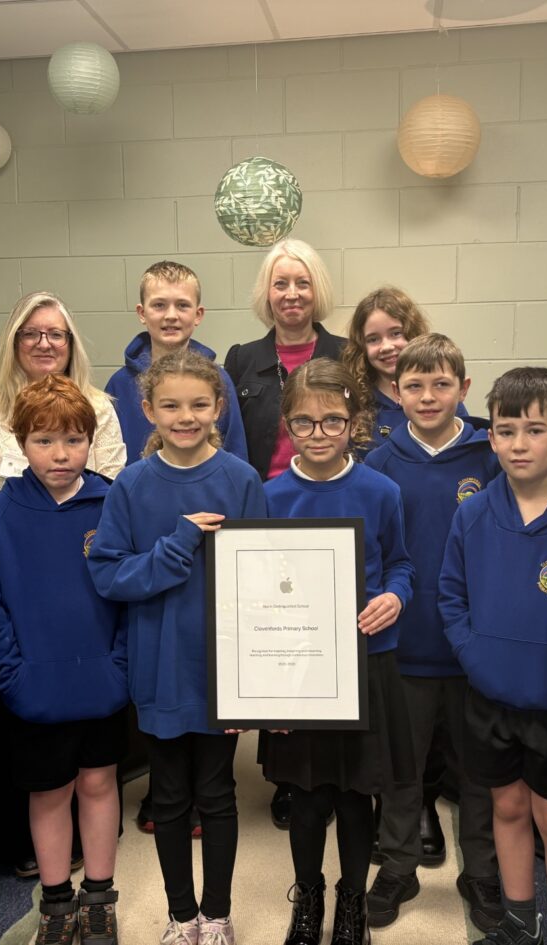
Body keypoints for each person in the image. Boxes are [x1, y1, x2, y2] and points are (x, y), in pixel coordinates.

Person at [88, 350, 266, 945]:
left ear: (218, 407)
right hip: (158, 666)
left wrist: (255, 683)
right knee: (167, 797)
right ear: (148, 410)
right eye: (170, 405)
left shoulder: (241, 479)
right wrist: (178, 542)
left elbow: (260, 584)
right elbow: (109, 575)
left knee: (217, 794)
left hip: (220, 670)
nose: (184, 416)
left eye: (197, 404)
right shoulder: (132, 485)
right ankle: (181, 915)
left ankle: (217, 915)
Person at [439, 368, 547, 945]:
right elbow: (451, 595)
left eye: (534, 430)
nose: (519, 444)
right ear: (490, 438)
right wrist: (474, 655)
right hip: (489, 697)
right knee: (507, 809)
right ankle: (518, 922)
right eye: (506, 430)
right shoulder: (472, 513)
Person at [0, 374, 129, 945]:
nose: (60, 454)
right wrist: (12, 677)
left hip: (104, 683)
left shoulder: (114, 504)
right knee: (50, 792)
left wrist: (121, 668)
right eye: (44, 440)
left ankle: (99, 898)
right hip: (33, 688)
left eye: (73, 440)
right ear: (21, 443)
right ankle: (57, 903)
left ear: (90, 441)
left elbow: (132, 596)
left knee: (99, 784)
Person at [261, 357, 415, 945]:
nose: (319, 433)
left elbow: (401, 564)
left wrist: (395, 597)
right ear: (287, 426)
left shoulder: (381, 490)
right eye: (304, 422)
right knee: (305, 797)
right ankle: (309, 899)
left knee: (355, 796)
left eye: (332, 421)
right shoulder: (270, 496)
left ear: (355, 423)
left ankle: (352, 903)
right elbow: (255, 587)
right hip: (296, 668)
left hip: (365, 662)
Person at [362, 335, 502, 932]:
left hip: (476, 650)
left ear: (463, 389)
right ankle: (398, 866)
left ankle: (483, 870)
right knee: (402, 770)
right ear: (396, 392)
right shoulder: (379, 464)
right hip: (405, 648)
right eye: (414, 386)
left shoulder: (490, 458)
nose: (427, 396)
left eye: (441, 384)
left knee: (478, 773)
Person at [224, 238, 345, 827]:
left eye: (302, 282)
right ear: (266, 293)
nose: (291, 293)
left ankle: (334, 766)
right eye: (280, 283)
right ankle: (284, 775)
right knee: (277, 643)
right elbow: (228, 441)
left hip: (331, 511)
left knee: (326, 643)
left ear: (316, 289)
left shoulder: (346, 355)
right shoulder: (242, 359)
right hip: (265, 517)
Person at [0, 290, 126, 499]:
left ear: (71, 343)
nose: (44, 344)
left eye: (56, 334)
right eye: (30, 334)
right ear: (14, 342)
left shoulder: (98, 407)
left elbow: (111, 487)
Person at [106, 259, 247, 465]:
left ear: (198, 314)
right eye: (159, 305)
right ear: (142, 313)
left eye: (182, 305)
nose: (171, 315)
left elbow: (236, 455)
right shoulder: (119, 385)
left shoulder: (219, 380)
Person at [341, 287, 478, 451]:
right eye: (373, 339)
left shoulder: (443, 398)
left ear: (413, 333)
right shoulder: (354, 400)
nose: (386, 346)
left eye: (396, 333)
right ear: (361, 346)